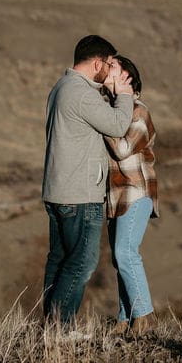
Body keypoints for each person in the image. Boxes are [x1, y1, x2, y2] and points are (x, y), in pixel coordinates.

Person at [42, 35, 134, 326]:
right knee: (81, 262)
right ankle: (60, 328)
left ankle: (50, 325)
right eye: (108, 64)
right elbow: (118, 125)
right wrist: (126, 95)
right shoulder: (81, 93)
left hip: (58, 190)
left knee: (59, 261)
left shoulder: (60, 87)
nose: (109, 70)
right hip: (80, 193)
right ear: (97, 62)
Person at [102, 55, 158, 337]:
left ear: (128, 78)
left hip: (136, 191)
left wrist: (103, 124)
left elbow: (123, 150)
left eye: (112, 66)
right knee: (118, 259)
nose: (105, 69)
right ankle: (125, 318)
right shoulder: (112, 108)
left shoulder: (138, 111)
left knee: (126, 253)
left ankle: (144, 316)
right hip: (115, 197)